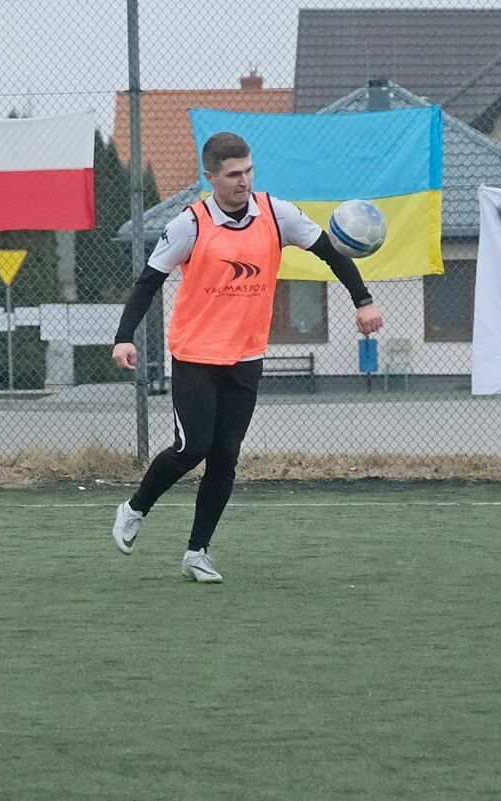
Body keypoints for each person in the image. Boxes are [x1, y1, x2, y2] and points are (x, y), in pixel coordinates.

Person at [110, 132, 383, 583]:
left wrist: (364, 300)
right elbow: (146, 283)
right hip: (196, 354)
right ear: (211, 176)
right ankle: (135, 507)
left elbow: (330, 253)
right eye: (234, 174)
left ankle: (197, 552)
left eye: (249, 171)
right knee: (190, 447)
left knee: (225, 457)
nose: (244, 181)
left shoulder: (276, 214)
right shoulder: (189, 225)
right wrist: (124, 337)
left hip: (246, 356)